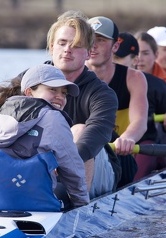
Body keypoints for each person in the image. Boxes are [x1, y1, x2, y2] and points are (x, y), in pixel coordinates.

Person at [0, 64, 89, 211]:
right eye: (53, 89)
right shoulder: (54, 119)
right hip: (40, 205)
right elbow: (72, 167)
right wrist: (81, 204)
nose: (60, 96)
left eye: (64, 93)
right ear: (29, 92)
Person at [43, 11, 120, 198]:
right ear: (52, 47)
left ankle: (76, 203)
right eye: (62, 43)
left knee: (79, 131)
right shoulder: (28, 82)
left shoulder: (102, 93)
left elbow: (95, 135)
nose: (67, 49)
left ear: (88, 52)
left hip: (96, 167)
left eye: (76, 45)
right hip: (45, 166)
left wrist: (57, 163)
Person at [113, 32, 166, 179]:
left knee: (133, 178)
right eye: (111, 58)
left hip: (144, 145)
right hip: (113, 144)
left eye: (118, 58)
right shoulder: (100, 81)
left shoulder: (156, 85)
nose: (113, 63)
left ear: (134, 60)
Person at [85, 16, 149, 157]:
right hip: (83, 152)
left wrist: (128, 137)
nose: (93, 45)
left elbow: (139, 121)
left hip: (119, 152)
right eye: (90, 39)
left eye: (101, 40)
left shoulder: (134, 78)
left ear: (115, 46)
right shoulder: (69, 77)